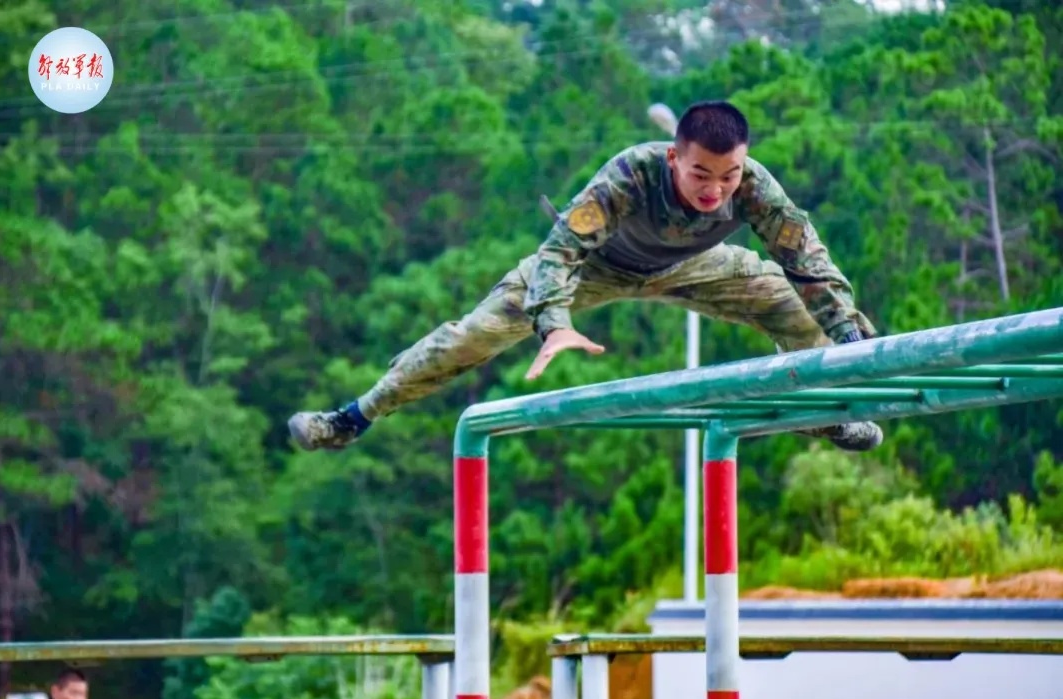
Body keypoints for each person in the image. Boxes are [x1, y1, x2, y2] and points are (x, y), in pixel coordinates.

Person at [288, 100, 883, 452]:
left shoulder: (754, 185)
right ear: (674, 157)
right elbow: (561, 249)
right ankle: (352, 418)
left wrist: (849, 337)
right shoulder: (631, 172)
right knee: (474, 334)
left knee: (799, 307)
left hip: (693, 264)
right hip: (593, 266)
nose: (715, 190)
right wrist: (553, 323)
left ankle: (822, 413)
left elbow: (807, 260)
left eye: (727, 176)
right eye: (701, 174)